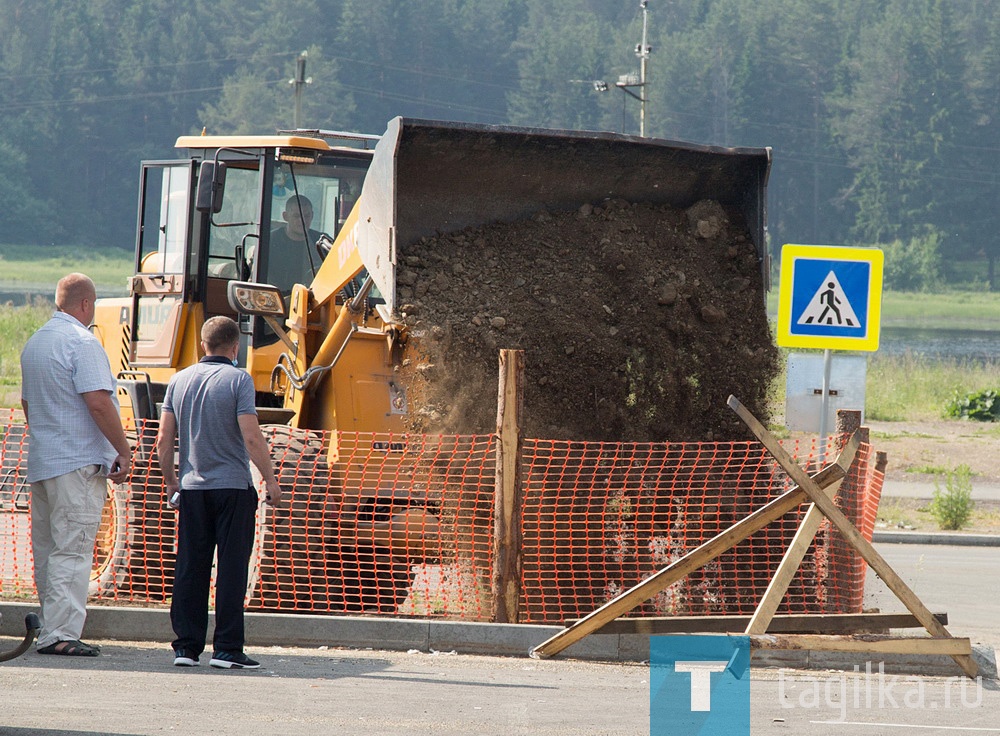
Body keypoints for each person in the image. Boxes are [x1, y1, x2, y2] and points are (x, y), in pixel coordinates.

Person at [155, 316, 282, 669]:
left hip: (193, 489)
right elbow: (252, 436)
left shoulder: (178, 381)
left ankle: (186, 648)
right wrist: (270, 479)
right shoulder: (238, 379)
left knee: (190, 567)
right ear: (235, 347)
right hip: (232, 488)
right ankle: (226, 649)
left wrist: (171, 482)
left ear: (202, 345)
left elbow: (165, 439)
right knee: (230, 568)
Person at [20, 272, 131, 657]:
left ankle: (50, 626)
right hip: (77, 463)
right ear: (86, 305)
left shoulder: (36, 342)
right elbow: (98, 401)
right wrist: (124, 449)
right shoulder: (82, 342)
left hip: (44, 460)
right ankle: (61, 633)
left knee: (49, 549)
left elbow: (28, 405)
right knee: (74, 548)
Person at [267, 194, 325, 294]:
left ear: (312, 215)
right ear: (285, 216)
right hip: (276, 300)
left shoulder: (322, 242)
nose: (302, 221)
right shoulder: (269, 241)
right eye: (296, 216)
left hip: (313, 301)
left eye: (306, 216)